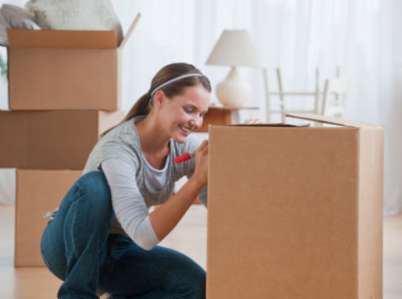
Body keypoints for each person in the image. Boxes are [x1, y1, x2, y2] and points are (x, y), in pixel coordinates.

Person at [40, 62, 261, 299]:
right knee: (95, 186)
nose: (196, 122)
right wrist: (196, 180)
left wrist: (238, 153)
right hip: (68, 247)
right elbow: (144, 236)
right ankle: (77, 295)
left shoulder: (183, 148)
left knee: (195, 286)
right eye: (189, 109)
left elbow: (222, 212)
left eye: (202, 113)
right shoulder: (119, 148)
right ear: (160, 99)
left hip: (120, 248)